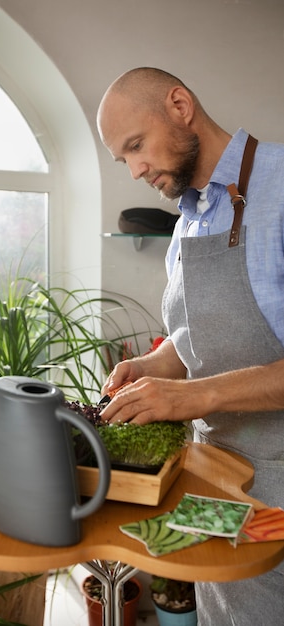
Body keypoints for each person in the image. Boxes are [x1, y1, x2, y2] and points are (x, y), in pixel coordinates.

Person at [97, 67, 284, 625]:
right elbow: (194, 339)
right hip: (218, 484)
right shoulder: (186, 222)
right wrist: (150, 366)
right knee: (227, 608)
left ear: (179, 105)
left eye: (136, 146)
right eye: (122, 159)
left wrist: (189, 399)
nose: (135, 170)